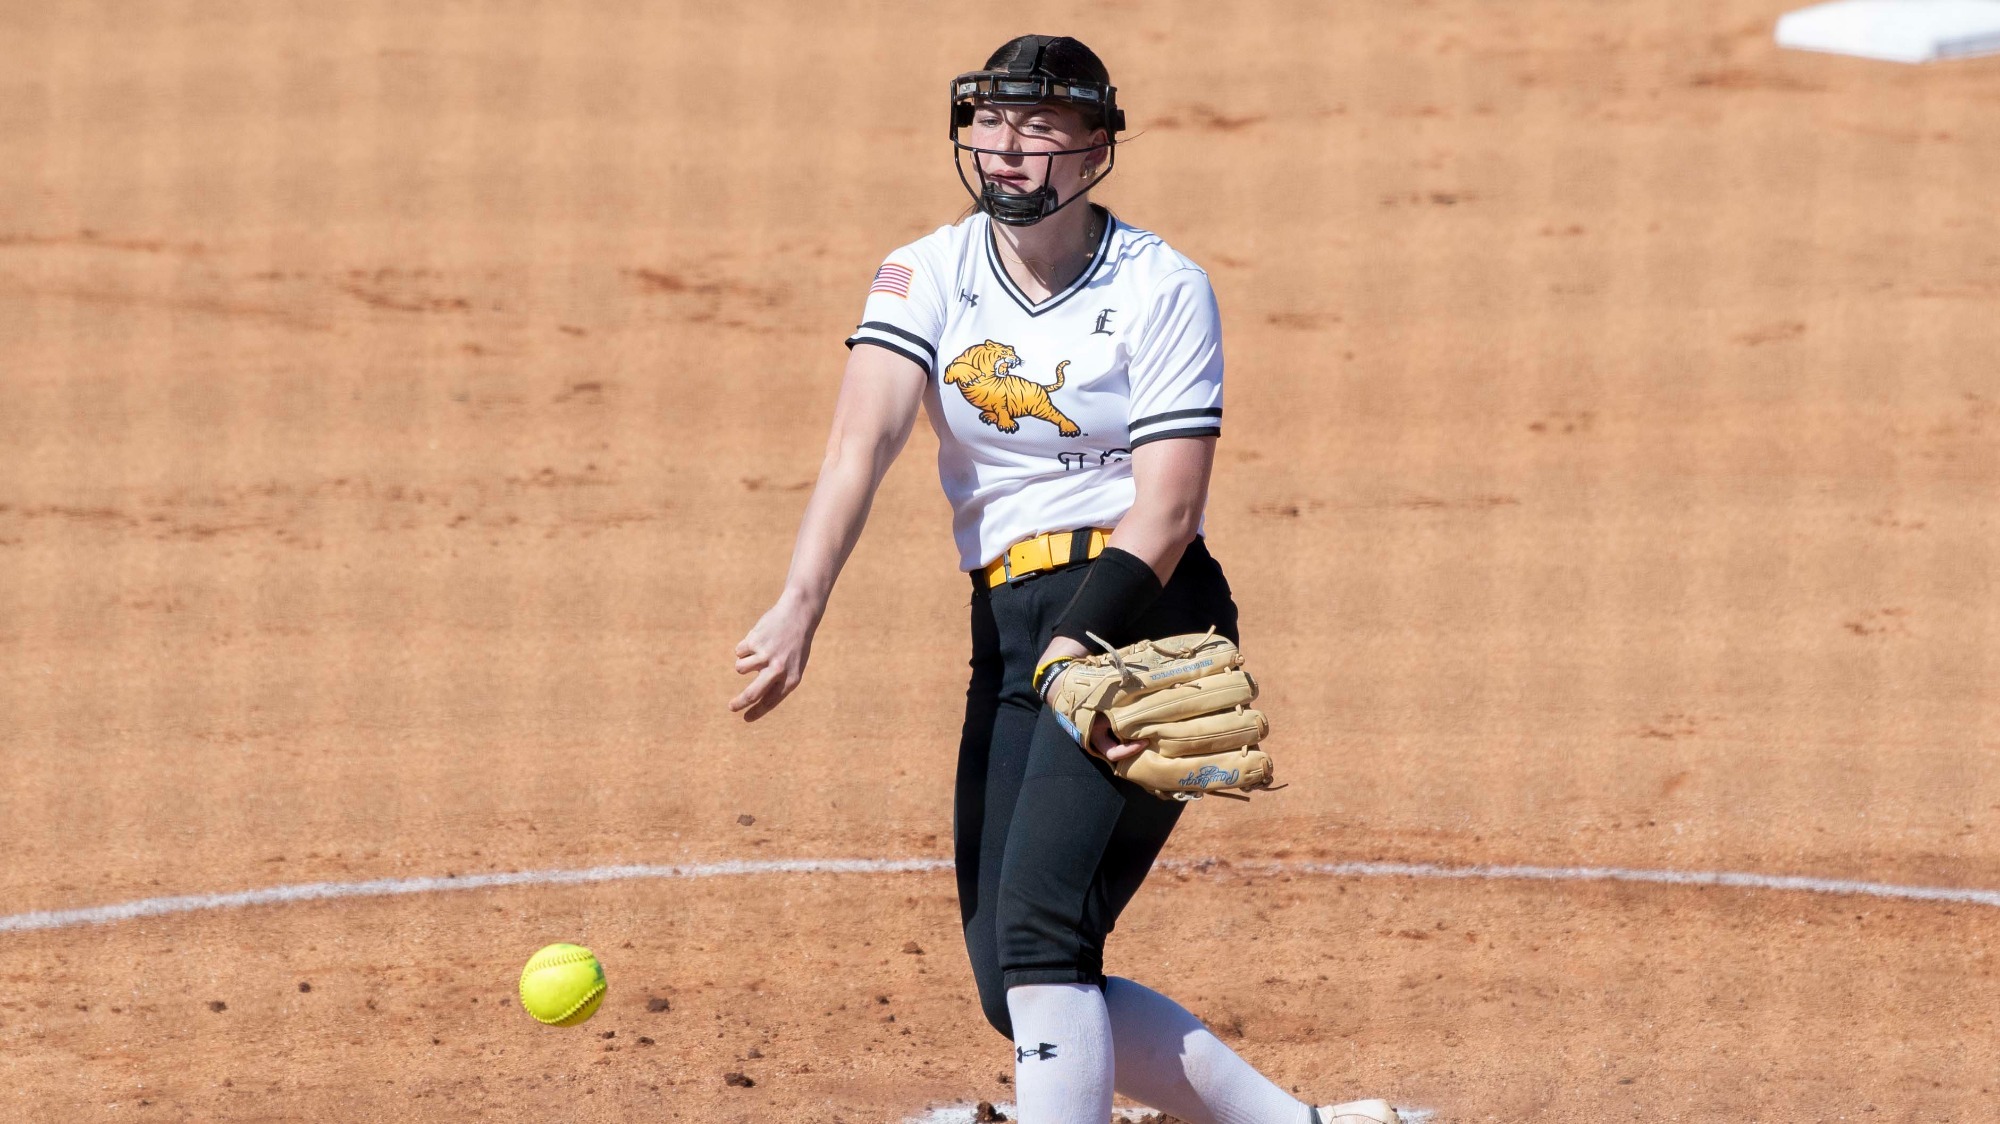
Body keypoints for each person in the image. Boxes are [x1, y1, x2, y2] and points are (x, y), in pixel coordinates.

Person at [730, 34, 1398, 1124]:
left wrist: (1079, 638)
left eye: (1038, 129)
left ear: (1095, 148)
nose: (1006, 150)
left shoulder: (1160, 286)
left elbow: (1169, 505)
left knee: (1044, 939)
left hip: (1136, 611)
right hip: (1008, 622)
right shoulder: (927, 270)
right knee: (1011, 977)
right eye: (991, 122)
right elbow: (863, 440)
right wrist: (800, 599)